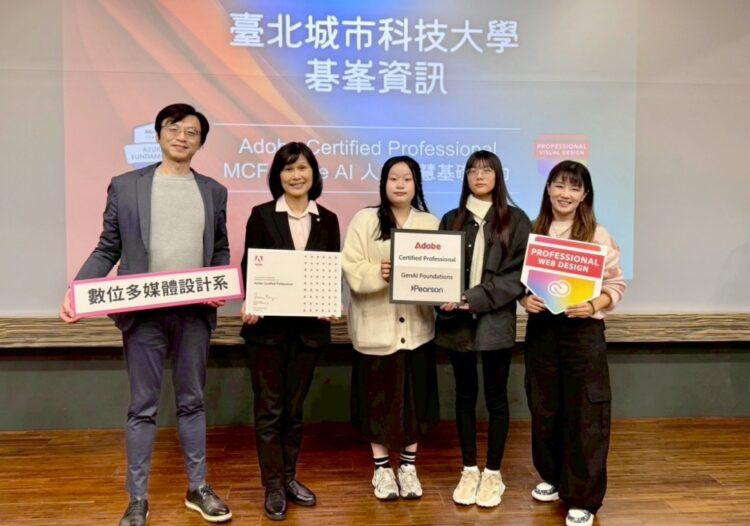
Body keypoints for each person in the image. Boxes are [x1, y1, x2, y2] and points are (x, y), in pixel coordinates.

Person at [59, 103, 232, 525]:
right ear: (158, 135)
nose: (182, 137)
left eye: (192, 132)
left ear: (200, 143)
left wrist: (219, 284)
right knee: (142, 407)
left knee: (192, 402)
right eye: (174, 128)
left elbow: (220, 248)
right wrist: (78, 291)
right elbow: (107, 248)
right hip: (143, 315)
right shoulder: (126, 186)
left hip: (193, 314)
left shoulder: (213, 191)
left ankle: (198, 487)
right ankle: (137, 497)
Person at [521, 160, 626, 526]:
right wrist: (524, 300)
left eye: (574, 187)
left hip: (582, 333)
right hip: (542, 331)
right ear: (548, 188)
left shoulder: (597, 234)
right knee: (545, 407)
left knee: (585, 414)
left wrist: (593, 305)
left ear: (584, 195)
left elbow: (616, 285)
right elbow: (520, 282)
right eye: (559, 185)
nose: (565, 193)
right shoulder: (533, 230)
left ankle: (583, 498)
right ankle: (554, 477)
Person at [240, 142, 340, 521]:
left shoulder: (328, 219)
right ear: (277, 176)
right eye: (288, 169)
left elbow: (330, 267)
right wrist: (251, 300)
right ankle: (273, 486)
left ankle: (289, 476)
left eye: (302, 168)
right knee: (269, 411)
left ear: (313, 174)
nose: (296, 176)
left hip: (309, 333)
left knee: (294, 412)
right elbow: (250, 265)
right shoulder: (262, 215)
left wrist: (331, 300)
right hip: (267, 332)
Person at [435, 150, 531, 508]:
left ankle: (493, 473)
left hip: (495, 323)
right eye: (472, 170)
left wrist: (471, 298)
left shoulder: (516, 220)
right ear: (465, 177)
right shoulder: (451, 218)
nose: (479, 175)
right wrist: (439, 297)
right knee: (463, 396)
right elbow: (435, 270)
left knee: (495, 397)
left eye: (487, 170)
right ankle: (469, 469)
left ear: (497, 176)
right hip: (456, 325)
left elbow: (517, 276)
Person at [342, 156, 440, 501]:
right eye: (393, 178)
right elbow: (350, 266)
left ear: (417, 185)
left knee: (415, 403)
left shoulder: (430, 223)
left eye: (407, 178)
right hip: (375, 329)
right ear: (383, 183)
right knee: (377, 402)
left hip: (417, 331)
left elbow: (442, 271)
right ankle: (382, 469)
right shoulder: (365, 219)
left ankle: (408, 467)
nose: (400, 184)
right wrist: (377, 273)